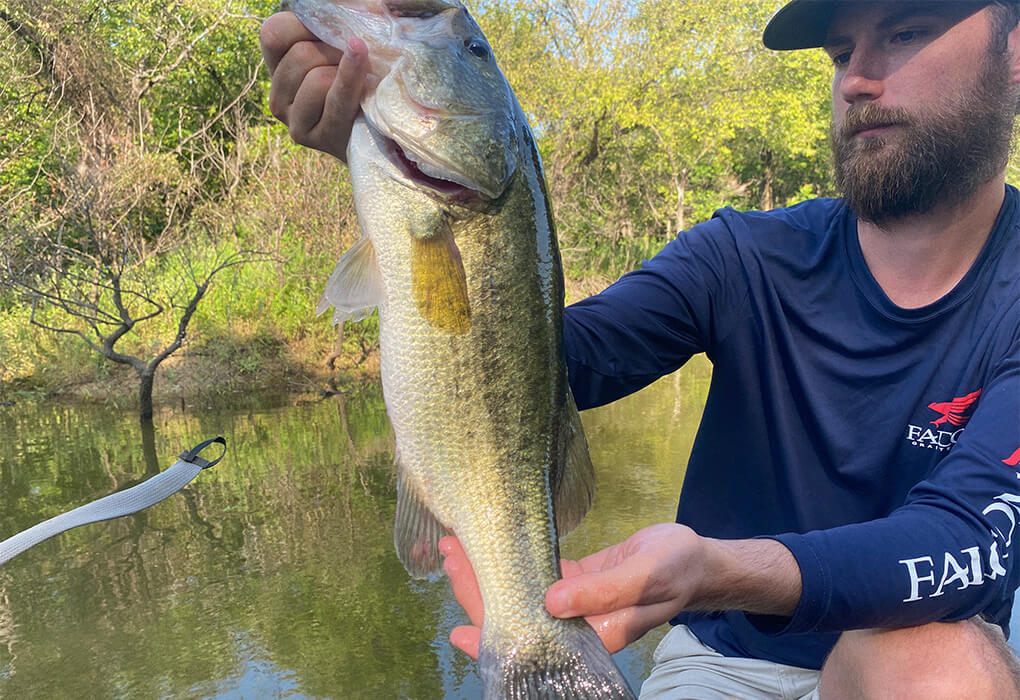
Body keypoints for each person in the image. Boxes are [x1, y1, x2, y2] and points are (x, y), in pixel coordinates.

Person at [261, 0, 1020, 696]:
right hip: (724, 660)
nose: (857, 79)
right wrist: (387, 181)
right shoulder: (742, 257)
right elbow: (558, 363)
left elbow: (966, 539)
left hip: (907, 650)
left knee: (941, 671)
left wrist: (716, 570)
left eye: (907, 32)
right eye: (837, 52)